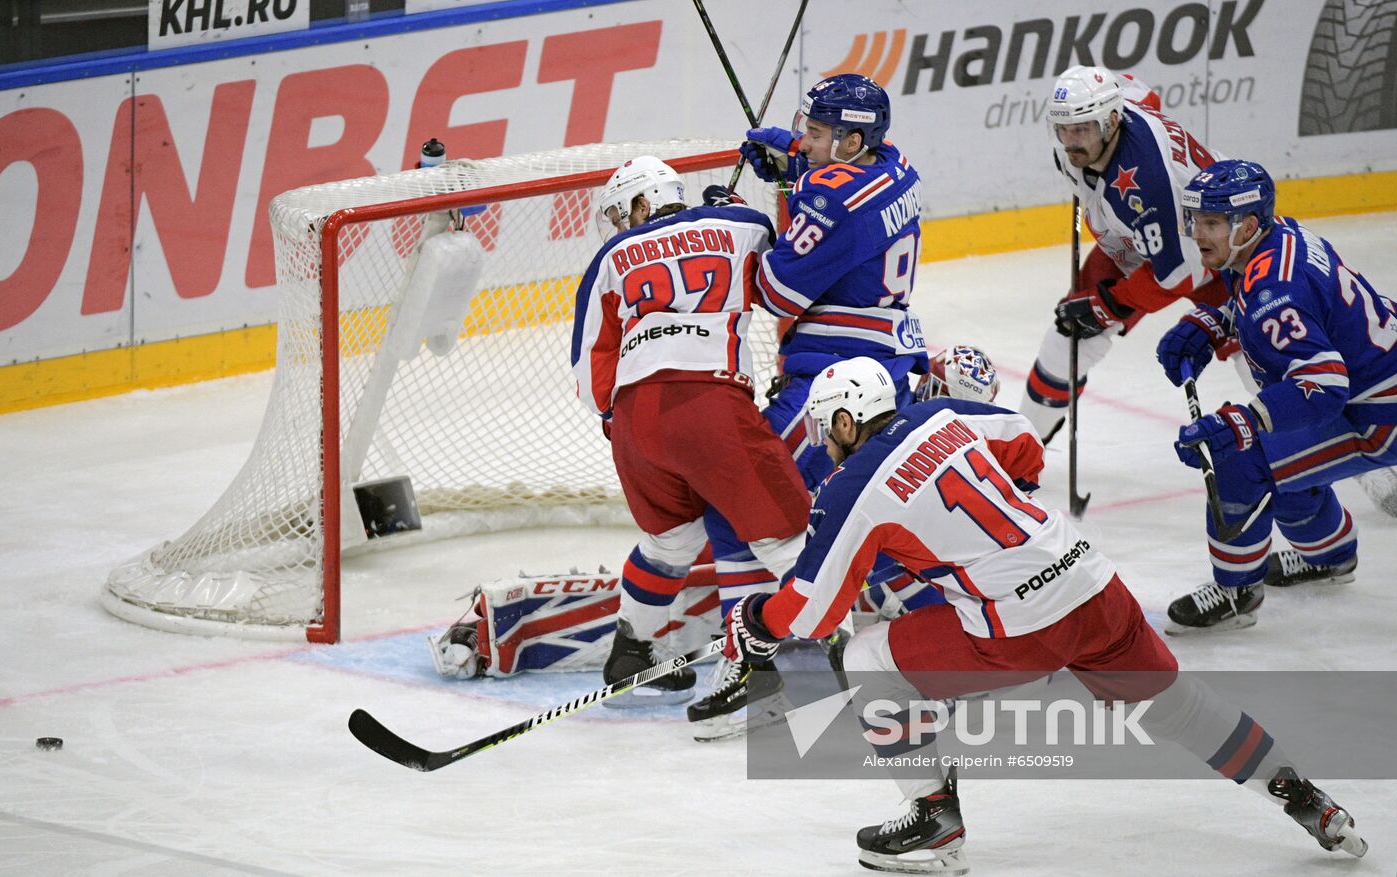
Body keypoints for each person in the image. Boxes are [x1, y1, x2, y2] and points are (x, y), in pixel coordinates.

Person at [718, 357, 1367, 872]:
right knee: (1180, 705)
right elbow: (1024, 442)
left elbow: (810, 610)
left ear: (841, 422)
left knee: (867, 657)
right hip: (1091, 578)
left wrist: (754, 621)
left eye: (826, 434)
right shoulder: (940, 413)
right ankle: (1304, 794)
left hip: (1021, 625)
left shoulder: (852, 485)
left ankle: (934, 817)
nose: (826, 449)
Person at [654, 73, 933, 738]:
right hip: (882, 368)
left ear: (851, 139)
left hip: (836, 382)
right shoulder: (894, 166)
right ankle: (928, 628)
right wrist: (793, 167)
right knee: (839, 512)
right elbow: (833, 205)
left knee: (738, 499)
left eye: (814, 133)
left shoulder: (833, 198)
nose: (804, 142)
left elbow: (774, 291)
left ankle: (764, 664)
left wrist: (729, 220)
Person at [570, 156, 808, 703]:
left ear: (644, 201)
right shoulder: (739, 224)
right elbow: (786, 257)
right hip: (710, 402)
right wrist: (741, 205)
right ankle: (840, 653)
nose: (618, 223)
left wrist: (622, 422)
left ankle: (632, 648)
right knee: (784, 535)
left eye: (621, 210)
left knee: (669, 540)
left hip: (633, 421)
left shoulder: (608, 259)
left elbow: (588, 371)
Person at [1156, 159, 1397, 632]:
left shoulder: (1274, 290)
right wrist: (1217, 320)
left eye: (1210, 223)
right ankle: (1331, 558)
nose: (1197, 233)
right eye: (1195, 220)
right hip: (1374, 385)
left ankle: (1236, 592)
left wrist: (1242, 424)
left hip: (1379, 412)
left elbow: (1323, 388)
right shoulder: (1275, 236)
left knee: (1240, 461)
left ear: (1246, 225)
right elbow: (1272, 299)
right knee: (1285, 459)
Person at [1019, 66, 1230, 444]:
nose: (1070, 141)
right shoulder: (1108, 115)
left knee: (1264, 357)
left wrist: (1110, 304)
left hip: (1217, 257)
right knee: (1069, 335)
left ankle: (1355, 452)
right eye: (1063, 129)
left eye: (1081, 129)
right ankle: (1021, 451)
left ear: (1112, 121)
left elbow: (1179, 274)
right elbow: (1141, 91)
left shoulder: (1150, 179)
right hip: (1136, 239)